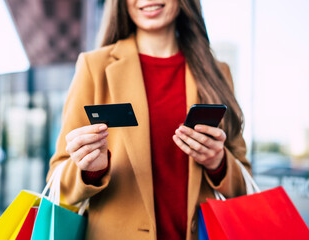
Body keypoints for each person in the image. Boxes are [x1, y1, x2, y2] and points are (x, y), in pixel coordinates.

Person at [48, 0, 251, 239]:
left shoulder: (217, 72)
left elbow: (244, 185)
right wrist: (91, 169)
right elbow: (57, 185)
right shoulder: (95, 67)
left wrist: (218, 163)